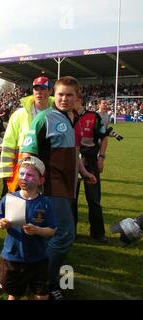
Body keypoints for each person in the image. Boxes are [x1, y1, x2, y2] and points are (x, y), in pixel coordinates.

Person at [20, 76, 97, 300]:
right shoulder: (45, 118)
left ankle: (37, 279)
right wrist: (29, 184)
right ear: (55, 94)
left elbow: (73, 151)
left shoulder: (73, 118)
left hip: (68, 186)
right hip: (52, 187)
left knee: (49, 236)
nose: (64, 98)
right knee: (64, 235)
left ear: (77, 97)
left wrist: (83, 172)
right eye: (61, 94)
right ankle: (45, 282)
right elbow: (27, 153)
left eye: (69, 95)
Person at [0, 156, 56, 300]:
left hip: (38, 258)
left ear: (41, 180)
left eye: (29, 175)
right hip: (13, 257)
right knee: (14, 295)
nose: (24, 177)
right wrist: (1, 223)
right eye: (21, 173)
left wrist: (37, 230)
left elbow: (52, 230)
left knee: (41, 296)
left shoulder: (45, 203)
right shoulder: (9, 198)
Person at [0, 76, 55, 193]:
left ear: (50, 91)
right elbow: (8, 143)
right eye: (36, 89)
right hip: (23, 169)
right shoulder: (19, 114)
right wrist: (6, 172)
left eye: (43, 89)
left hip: (50, 170)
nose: (39, 92)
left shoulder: (57, 114)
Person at [74, 97, 108, 243]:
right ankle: (70, 232)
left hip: (90, 162)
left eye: (72, 98)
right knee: (71, 199)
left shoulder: (93, 116)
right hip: (71, 163)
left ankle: (98, 233)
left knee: (94, 199)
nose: (69, 101)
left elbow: (104, 137)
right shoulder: (66, 117)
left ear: (79, 100)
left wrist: (101, 158)